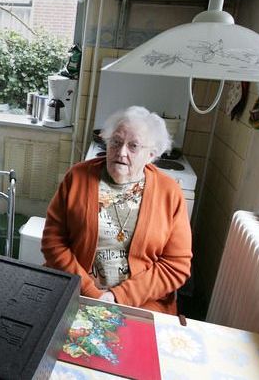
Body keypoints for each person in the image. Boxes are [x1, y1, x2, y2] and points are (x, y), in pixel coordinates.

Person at [41, 106, 192, 314]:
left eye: (133, 146)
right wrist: (92, 293)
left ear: (151, 154)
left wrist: (119, 296)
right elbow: (53, 242)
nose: (121, 152)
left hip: (141, 302)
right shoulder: (77, 177)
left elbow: (176, 266)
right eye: (116, 142)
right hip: (74, 290)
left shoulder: (170, 193)